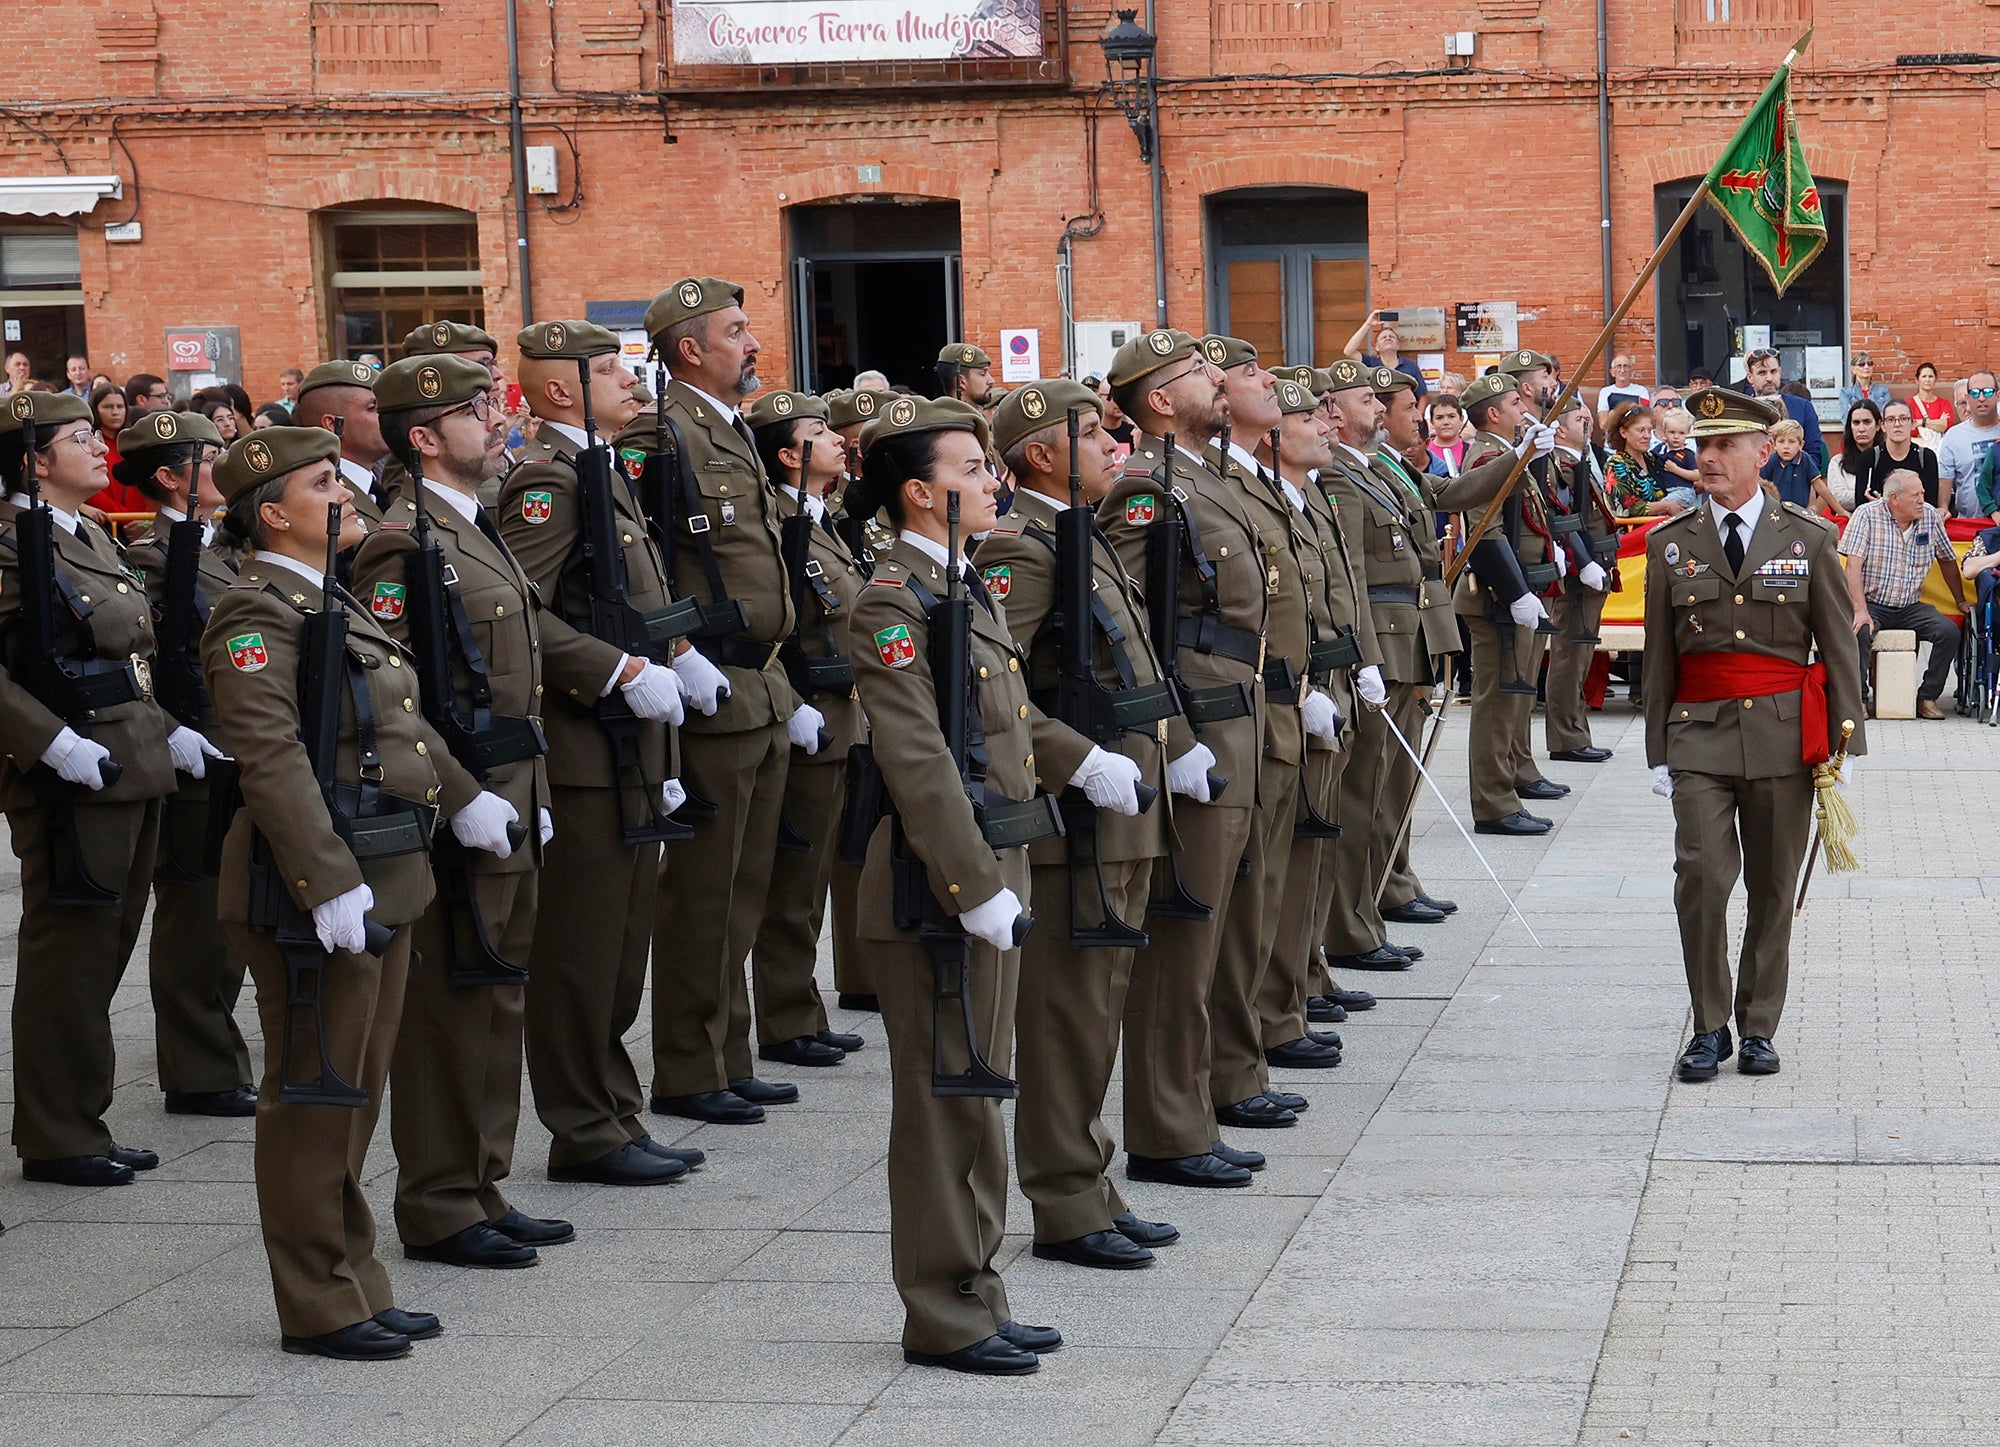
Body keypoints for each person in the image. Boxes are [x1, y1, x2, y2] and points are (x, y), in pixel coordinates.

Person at [202, 425, 510, 1359]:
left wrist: (464, 799)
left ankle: (355, 1278)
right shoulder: (255, 615)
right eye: (324, 482)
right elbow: (273, 760)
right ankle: (317, 1300)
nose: (347, 493)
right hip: (312, 889)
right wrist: (326, 881)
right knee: (312, 1095)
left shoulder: (327, 597)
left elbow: (401, 725)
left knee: (357, 1093)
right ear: (272, 513)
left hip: (388, 874)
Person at [844, 394, 1066, 1375]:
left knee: (978, 1089)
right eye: (971, 468)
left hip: (989, 862)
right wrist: (972, 882)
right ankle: (940, 1309)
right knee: (942, 1097)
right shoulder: (894, 597)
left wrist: (1087, 758)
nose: (990, 480)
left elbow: (1002, 725)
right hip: (935, 885)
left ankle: (976, 1286)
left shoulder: (961, 584)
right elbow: (916, 755)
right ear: (919, 494)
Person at [348, 354, 575, 1270]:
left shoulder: (471, 527)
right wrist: (465, 795)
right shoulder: (401, 541)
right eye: (474, 410)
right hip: (458, 803)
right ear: (424, 436)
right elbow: (394, 700)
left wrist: (536, 795)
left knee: (497, 996)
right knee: (450, 1003)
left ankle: (482, 1179)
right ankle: (439, 1198)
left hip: (513, 791)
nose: (496, 420)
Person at [972, 378, 1179, 1270]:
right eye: (1093, 433)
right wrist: (1078, 763)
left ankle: (1090, 1180)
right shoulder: (1023, 550)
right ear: (1044, 454)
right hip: (1074, 816)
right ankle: (1062, 1197)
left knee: (1102, 1009)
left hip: (1124, 806)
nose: (1115, 442)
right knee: (1065, 1014)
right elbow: (996, 689)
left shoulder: (1081, 537)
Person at [496, 320, 703, 1187]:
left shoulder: (602, 470)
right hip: (586, 747)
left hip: (633, 744)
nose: (628, 379)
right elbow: (522, 610)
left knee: (622, 949)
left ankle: (614, 1109)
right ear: (556, 391)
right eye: (609, 369)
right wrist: (613, 668)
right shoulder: (548, 480)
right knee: (583, 952)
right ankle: (583, 1123)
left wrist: (677, 664)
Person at [616, 278, 811, 1127]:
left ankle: (728, 1049)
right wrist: (680, 654)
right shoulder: (659, 437)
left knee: (745, 886)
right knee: (702, 891)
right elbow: (641, 565)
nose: (754, 342)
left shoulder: (725, 431)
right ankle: (690, 1067)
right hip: (713, 684)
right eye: (737, 331)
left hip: (760, 681)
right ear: (690, 349)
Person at [1646, 386, 1866, 1083]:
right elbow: (1659, 657)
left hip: (1781, 738)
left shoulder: (1808, 536)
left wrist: (1847, 737)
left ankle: (1760, 1024)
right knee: (1703, 880)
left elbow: (1837, 646)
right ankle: (1709, 1026)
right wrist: (1658, 750)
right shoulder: (1670, 544)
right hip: (1699, 736)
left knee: (1772, 888)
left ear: (1762, 452)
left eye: (1722, 447)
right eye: (1700, 447)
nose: (1706, 458)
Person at [1095, 328, 1264, 1189]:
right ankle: (1166, 1129)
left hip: (1236, 721)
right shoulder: (1147, 489)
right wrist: (1176, 741)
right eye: (1199, 372)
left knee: (1210, 935)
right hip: (1196, 732)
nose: (1217, 378)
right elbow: (1128, 634)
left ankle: (1192, 1109)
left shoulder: (1207, 476)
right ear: (1159, 401)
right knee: (1179, 943)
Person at [0, 391, 179, 1187]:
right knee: (67, 951)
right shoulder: (10, 546)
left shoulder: (85, 536)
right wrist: (50, 742)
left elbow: (127, 651)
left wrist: (167, 725)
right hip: (71, 770)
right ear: (36, 461)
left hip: (129, 756)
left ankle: (82, 1114)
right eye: (80, 439)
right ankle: (56, 1132)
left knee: (104, 945)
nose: (101, 448)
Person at [113, 410, 256, 1118]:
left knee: (223, 916)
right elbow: (138, 667)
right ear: (171, 477)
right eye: (211, 454)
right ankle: (199, 1072)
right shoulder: (150, 557)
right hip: (196, 755)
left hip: (235, 749)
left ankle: (214, 1055)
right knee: (194, 918)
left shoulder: (219, 550)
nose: (225, 461)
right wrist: (171, 731)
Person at [740, 389, 869, 1069]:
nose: (840, 439)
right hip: (810, 712)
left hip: (844, 717)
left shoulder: (823, 520)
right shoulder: (783, 527)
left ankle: (802, 1011)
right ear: (790, 454)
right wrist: (795, 703)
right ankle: (786, 1019)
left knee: (814, 873)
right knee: (792, 881)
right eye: (820, 431)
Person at [1316, 362, 1451, 968]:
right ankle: (1351, 925)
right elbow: (1351, 579)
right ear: (1336, 413)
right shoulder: (1340, 480)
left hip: (1406, 640)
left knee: (1385, 790)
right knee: (1361, 795)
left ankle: (1370, 908)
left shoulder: (1375, 470)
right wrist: (1365, 655)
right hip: (1381, 645)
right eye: (1368, 398)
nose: (1382, 407)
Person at [1448, 372, 1565, 836]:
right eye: (1516, 403)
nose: (1525, 409)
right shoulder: (1487, 456)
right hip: (1493, 597)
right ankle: (1494, 804)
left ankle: (1507, 788)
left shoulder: (1504, 453)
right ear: (1493, 414)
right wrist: (1516, 594)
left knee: (1509, 700)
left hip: (1510, 592)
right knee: (1495, 705)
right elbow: (1485, 531)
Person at [1841, 469, 1969, 718]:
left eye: (1922, 493)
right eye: (1916, 495)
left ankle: (1927, 697)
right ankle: (1858, 699)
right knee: (1859, 631)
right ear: (1894, 498)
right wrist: (1859, 609)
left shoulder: (1930, 516)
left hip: (1911, 605)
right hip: (1872, 602)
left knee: (1949, 633)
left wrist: (1960, 600)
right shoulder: (1866, 515)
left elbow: (1947, 560)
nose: (1922, 499)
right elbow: (1853, 566)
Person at [1543, 394, 1617, 763]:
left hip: (1596, 568)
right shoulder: (1562, 466)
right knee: (1569, 656)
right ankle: (1566, 737)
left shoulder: (1582, 461)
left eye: (1589, 419)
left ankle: (1575, 731)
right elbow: (1565, 520)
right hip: (1577, 574)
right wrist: (1585, 564)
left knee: (1581, 655)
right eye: (1579, 420)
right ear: (1559, 428)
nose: (1587, 425)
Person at [294, 360, 390, 520]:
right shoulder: (319, 500)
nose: (386, 417)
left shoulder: (379, 486)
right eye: (372, 408)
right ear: (333, 424)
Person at [1739, 348, 1826, 472]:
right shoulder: (1741, 409)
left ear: (1780, 372)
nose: (1769, 378)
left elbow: (1814, 454)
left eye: (1773, 371)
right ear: (1750, 377)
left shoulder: (1802, 406)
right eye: (1762, 373)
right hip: (1753, 481)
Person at [1605, 401, 1685, 517]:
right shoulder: (1616, 464)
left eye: (1649, 430)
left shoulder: (1651, 458)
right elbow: (1625, 508)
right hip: (1637, 530)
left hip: (1664, 526)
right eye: (1641, 430)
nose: (1647, 436)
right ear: (1623, 432)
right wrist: (1666, 506)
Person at [1941, 371, 2000, 519]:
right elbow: (1944, 481)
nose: (1981, 398)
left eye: (1987, 392)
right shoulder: (1953, 436)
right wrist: (1942, 507)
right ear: (1967, 398)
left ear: (1997, 395)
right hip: (1969, 526)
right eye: (1974, 393)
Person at [1761, 419, 1843, 516]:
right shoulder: (1771, 461)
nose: (1786, 446)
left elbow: (1819, 486)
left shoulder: (1805, 460)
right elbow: (1760, 485)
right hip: (1776, 513)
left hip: (1801, 513)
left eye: (1791, 442)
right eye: (1781, 441)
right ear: (1774, 444)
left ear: (1801, 445)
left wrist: (1841, 511)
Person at [1876, 399, 1942, 510]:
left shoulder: (1926, 457)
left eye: (1903, 419)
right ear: (1883, 426)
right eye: (1891, 419)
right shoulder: (1870, 457)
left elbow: (1930, 504)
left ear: (1913, 424)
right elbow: (1861, 503)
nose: (1897, 424)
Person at [1341, 310, 1426, 394]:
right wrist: (1368, 324)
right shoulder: (1370, 363)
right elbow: (1349, 351)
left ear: (1398, 345)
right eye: (1383, 337)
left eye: (1391, 337)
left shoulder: (1410, 365)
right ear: (1377, 347)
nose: (1388, 338)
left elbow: (1422, 395)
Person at [1826, 401, 1883, 510]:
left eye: (1867, 422)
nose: (1861, 429)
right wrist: (1870, 497)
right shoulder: (1837, 462)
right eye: (1856, 423)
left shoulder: (1888, 458)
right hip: (1848, 521)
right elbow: (1837, 498)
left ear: (1878, 426)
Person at [1656, 407, 1700, 493]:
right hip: (1664, 490)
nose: (1676, 437)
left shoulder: (1688, 454)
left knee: (1664, 505)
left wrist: (1675, 469)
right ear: (1664, 432)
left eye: (1681, 433)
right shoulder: (1660, 449)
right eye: (1672, 432)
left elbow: (1697, 475)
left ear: (1687, 434)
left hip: (1683, 490)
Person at [1426, 393, 1469, 475]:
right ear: (1432, 422)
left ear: (1461, 419)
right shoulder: (1424, 453)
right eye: (1439, 418)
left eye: (1451, 416)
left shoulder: (1471, 451)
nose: (1446, 422)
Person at [1909, 361, 1952, 434]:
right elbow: (1911, 429)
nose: (1927, 380)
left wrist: (1921, 422)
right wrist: (1937, 423)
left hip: (1938, 444)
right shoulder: (1908, 403)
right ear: (1917, 380)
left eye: (1931, 376)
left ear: (1935, 380)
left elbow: (1946, 426)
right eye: (1924, 376)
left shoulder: (1944, 403)